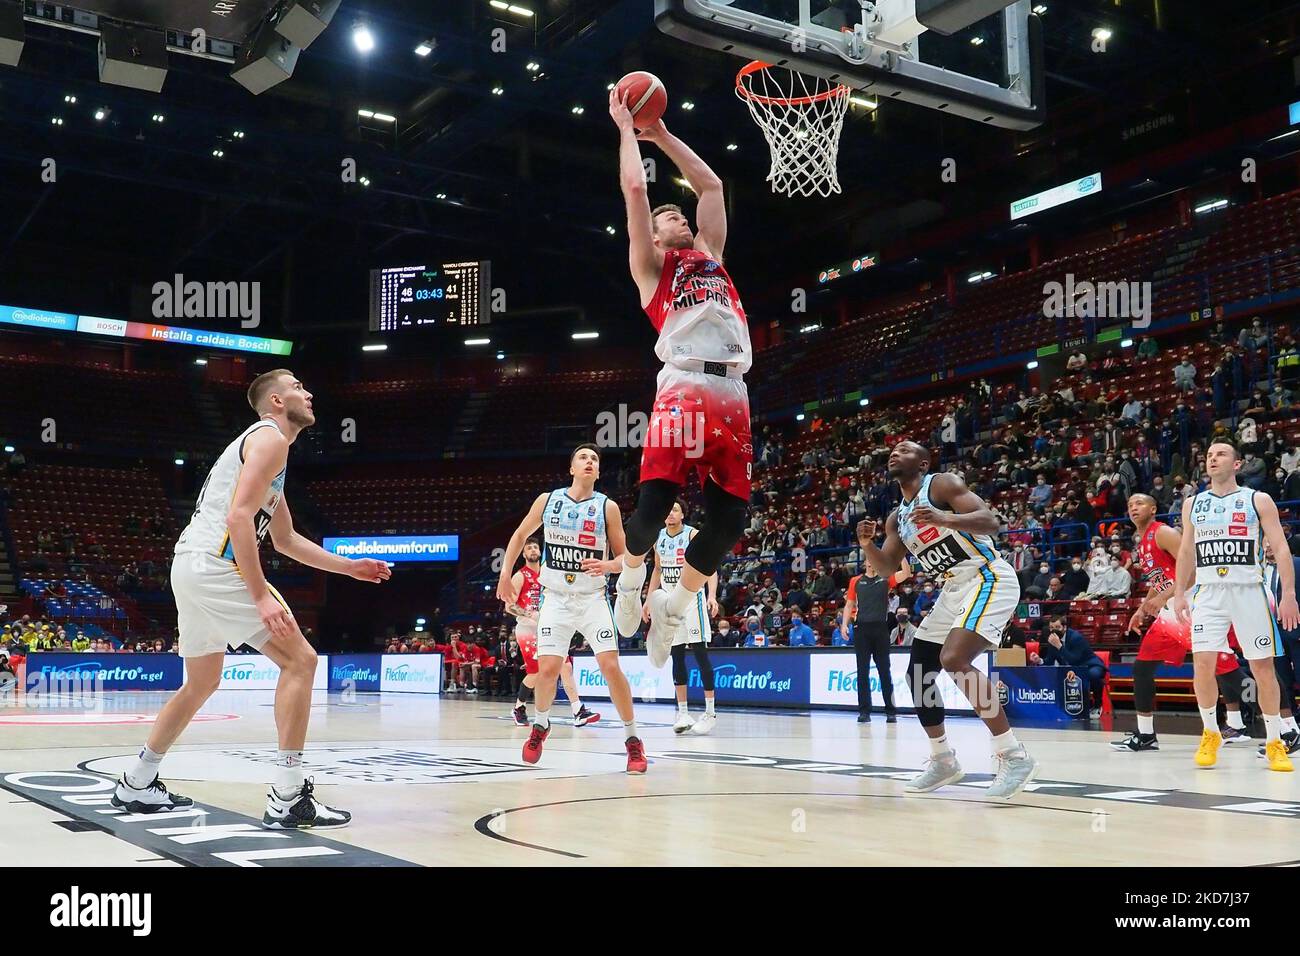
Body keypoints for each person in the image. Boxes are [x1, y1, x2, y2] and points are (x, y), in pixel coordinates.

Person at [113, 369, 392, 828]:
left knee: (201, 682)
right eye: (300, 387)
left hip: (190, 564)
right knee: (300, 661)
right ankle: (287, 796)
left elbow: (285, 539)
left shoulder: (267, 453)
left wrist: (349, 567)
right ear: (277, 402)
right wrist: (261, 595)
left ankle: (137, 781)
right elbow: (241, 518)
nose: (310, 391)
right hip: (216, 565)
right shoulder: (270, 439)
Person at [606, 87, 752, 675]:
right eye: (669, 217)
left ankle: (675, 605)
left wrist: (661, 134)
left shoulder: (712, 254)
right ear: (657, 236)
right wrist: (625, 128)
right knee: (652, 508)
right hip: (684, 388)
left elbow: (712, 186)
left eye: (678, 213)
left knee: (728, 525)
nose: (677, 217)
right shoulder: (650, 269)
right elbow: (636, 191)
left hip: (734, 393)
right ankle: (632, 579)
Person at [857, 441, 1035, 799]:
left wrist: (944, 518)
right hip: (953, 589)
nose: (895, 453)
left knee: (954, 659)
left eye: (905, 449)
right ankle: (943, 760)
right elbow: (889, 567)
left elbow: (991, 522)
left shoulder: (942, 485)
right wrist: (866, 546)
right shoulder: (897, 518)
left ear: (922, 462)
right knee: (919, 672)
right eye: (892, 450)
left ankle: (1013, 754)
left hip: (988, 576)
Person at [497, 444, 646, 773]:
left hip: (592, 598)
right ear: (572, 468)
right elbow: (520, 535)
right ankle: (540, 725)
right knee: (548, 670)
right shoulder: (548, 500)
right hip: (556, 599)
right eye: (583, 457)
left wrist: (607, 565)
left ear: (598, 470)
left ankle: (633, 740)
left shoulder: (607, 507)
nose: (590, 461)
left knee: (610, 666)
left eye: (594, 459)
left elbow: (625, 560)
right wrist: (506, 573)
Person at [1172, 441, 1297, 771]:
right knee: (1202, 664)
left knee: (1262, 668)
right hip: (1209, 593)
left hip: (1249, 591)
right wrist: (1179, 593)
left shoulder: (1257, 500)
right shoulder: (1193, 504)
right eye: (1209, 455)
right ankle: (1211, 732)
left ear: (1238, 464)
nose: (1213, 459)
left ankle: (1274, 741)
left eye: (1221, 454)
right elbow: (1186, 552)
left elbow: (1281, 550)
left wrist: (1288, 595)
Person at [501, 537, 600, 729]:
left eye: (535, 547)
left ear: (540, 551)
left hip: (551, 626)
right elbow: (509, 606)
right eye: (528, 548)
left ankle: (578, 711)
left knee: (566, 667)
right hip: (528, 628)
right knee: (536, 672)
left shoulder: (548, 574)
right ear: (523, 554)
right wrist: (531, 614)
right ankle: (519, 708)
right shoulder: (520, 576)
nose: (532, 550)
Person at [645, 501, 718, 735]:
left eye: (675, 509)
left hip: (692, 601)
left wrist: (712, 596)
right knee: (676, 656)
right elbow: (657, 570)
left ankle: (710, 712)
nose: (670, 513)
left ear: (683, 514)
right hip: (669, 602)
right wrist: (648, 599)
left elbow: (710, 567)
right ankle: (683, 712)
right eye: (667, 509)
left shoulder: (692, 534)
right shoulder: (658, 538)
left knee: (700, 654)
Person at [842, 550, 909, 722]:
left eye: (874, 560)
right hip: (861, 630)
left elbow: (907, 573)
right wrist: (844, 625)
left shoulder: (886, 579)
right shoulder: (855, 581)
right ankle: (864, 712)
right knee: (862, 672)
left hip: (880, 629)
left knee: (884, 671)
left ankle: (891, 711)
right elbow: (849, 605)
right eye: (869, 560)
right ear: (865, 563)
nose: (871, 563)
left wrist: (901, 555)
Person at [1262, 542, 1300, 756]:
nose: (1268, 546)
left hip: (1295, 629)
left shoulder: (1296, 564)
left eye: (1271, 543)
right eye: (1264, 543)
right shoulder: (1260, 571)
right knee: (1282, 680)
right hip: (1271, 632)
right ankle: (1292, 726)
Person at [1038, 616, 1107, 717]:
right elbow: (1049, 661)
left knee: (1093, 675)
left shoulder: (1076, 637)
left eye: (1057, 627)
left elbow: (1074, 659)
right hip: (1072, 669)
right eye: (1051, 628)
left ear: (1064, 627)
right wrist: (1039, 660)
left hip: (1089, 665)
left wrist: (1059, 646)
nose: (1054, 630)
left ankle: (1097, 706)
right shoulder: (1053, 641)